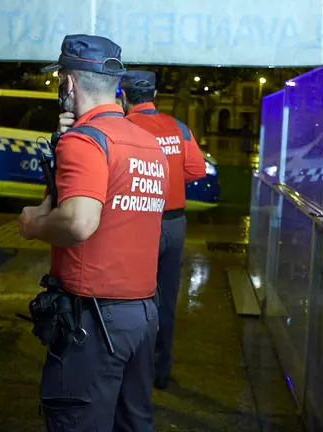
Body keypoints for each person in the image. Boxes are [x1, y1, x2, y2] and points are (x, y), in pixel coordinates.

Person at [19, 34, 168, 431]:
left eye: (60, 80)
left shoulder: (86, 141)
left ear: (68, 83)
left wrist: (33, 226)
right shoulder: (148, 144)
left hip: (94, 321)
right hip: (141, 314)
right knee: (132, 421)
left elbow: (80, 222)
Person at [119, 70, 207, 390]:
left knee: (131, 298)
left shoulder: (123, 128)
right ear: (155, 95)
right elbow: (197, 168)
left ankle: (132, 367)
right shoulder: (178, 127)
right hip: (175, 224)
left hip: (139, 223)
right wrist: (166, 180)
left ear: (124, 97)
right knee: (166, 300)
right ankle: (162, 369)